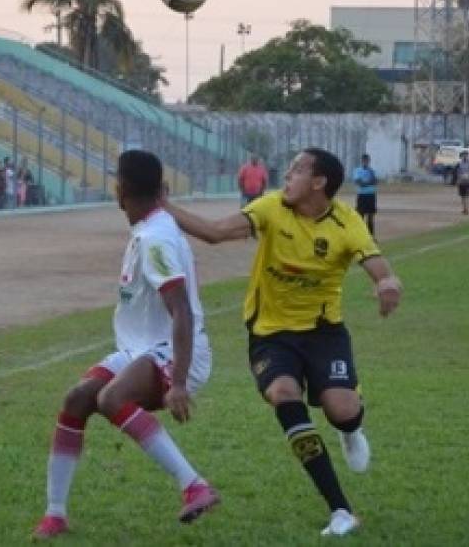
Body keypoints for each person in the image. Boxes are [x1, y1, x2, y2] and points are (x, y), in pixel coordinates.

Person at [162, 147, 403, 537]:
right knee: (283, 393)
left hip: (325, 331)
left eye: (296, 170)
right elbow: (214, 232)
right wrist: (163, 205)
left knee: (343, 409)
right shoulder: (272, 207)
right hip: (271, 334)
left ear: (319, 181)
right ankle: (340, 510)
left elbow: (379, 268)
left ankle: (350, 430)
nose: (286, 176)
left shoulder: (346, 221)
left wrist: (389, 284)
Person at [32, 150, 219, 539]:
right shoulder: (150, 227)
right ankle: (55, 515)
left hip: (176, 350)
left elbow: (181, 310)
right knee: (77, 399)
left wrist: (179, 382)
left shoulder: (155, 239)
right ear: (161, 190)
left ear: (121, 190)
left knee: (111, 399)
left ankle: (194, 485)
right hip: (143, 348)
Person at [352, 153, 378, 235]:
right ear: (362, 161)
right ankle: (360, 235)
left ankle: (371, 236)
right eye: (364, 161)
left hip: (371, 195)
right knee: (360, 216)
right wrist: (369, 182)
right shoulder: (357, 170)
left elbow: (375, 182)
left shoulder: (372, 171)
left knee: (370, 217)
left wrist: (366, 182)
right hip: (362, 195)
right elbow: (359, 183)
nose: (366, 162)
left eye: (367, 161)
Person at [455, 150, 469, 215]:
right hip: (461, 182)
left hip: (468, 182)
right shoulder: (459, 164)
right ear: (461, 156)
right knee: (462, 196)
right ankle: (464, 208)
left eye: (466, 155)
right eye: (463, 155)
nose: (465, 156)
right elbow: (456, 172)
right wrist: (459, 178)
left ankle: (467, 209)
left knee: (467, 196)